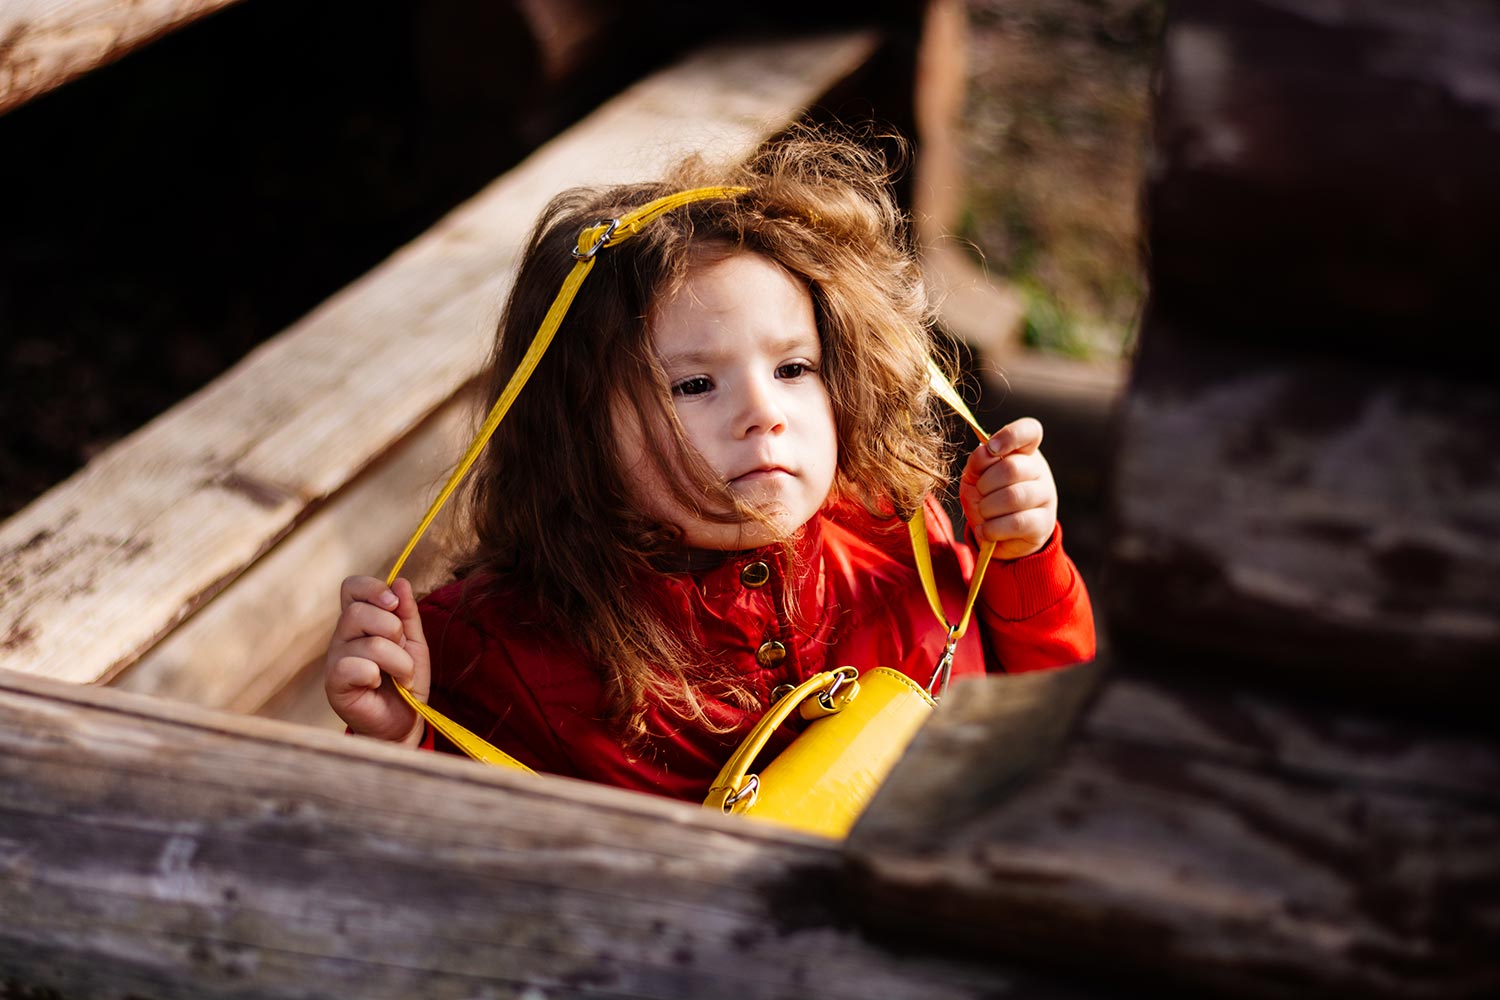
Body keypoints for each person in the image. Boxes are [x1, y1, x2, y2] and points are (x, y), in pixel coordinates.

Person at [323, 131, 1095, 802]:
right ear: (578, 429)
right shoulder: (499, 643)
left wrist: (1023, 560)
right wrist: (399, 738)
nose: (765, 413)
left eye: (795, 368)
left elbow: (1042, 716)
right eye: (694, 385)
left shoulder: (898, 544)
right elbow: (464, 860)